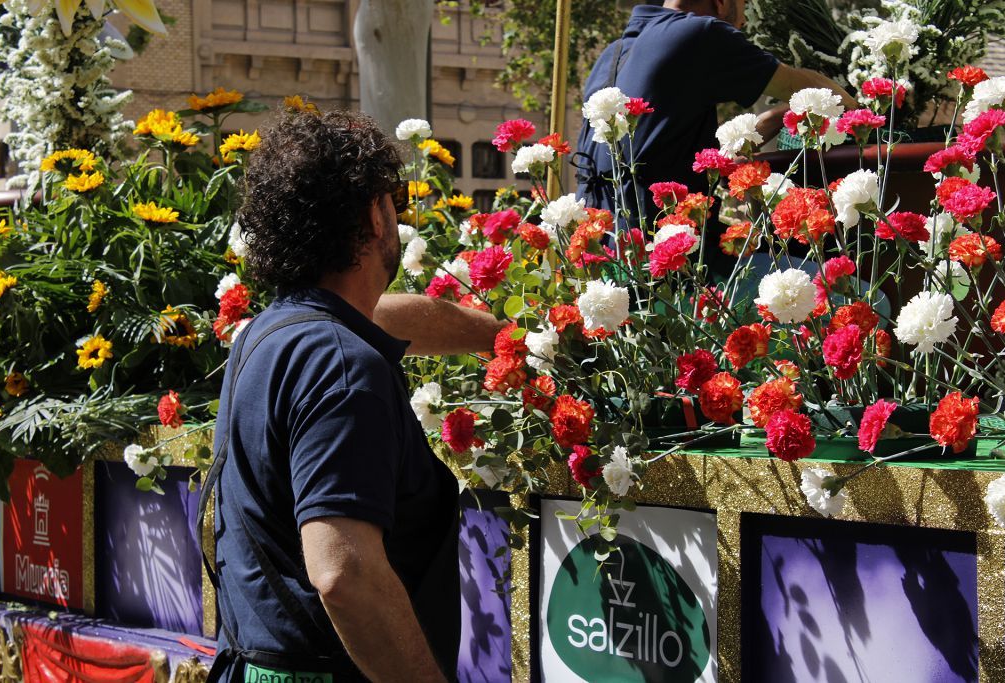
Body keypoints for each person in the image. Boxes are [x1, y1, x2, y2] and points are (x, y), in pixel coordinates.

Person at [200, 109, 504, 682]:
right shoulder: (341, 366)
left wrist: (511, 339)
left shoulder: (273, 333)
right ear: (374, 213)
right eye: (396, 201)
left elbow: (385, 318)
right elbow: (345, 574)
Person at [575, 0, 858, 263]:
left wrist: (768, 121)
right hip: (669, 264)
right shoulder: (701, 35)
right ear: (722, 2)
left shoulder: (613, 54)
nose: (744, 22)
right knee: (859, 289)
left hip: (602, 256)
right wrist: (856, 104)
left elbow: (653, 149)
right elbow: (806, 89)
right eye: (744, 4)